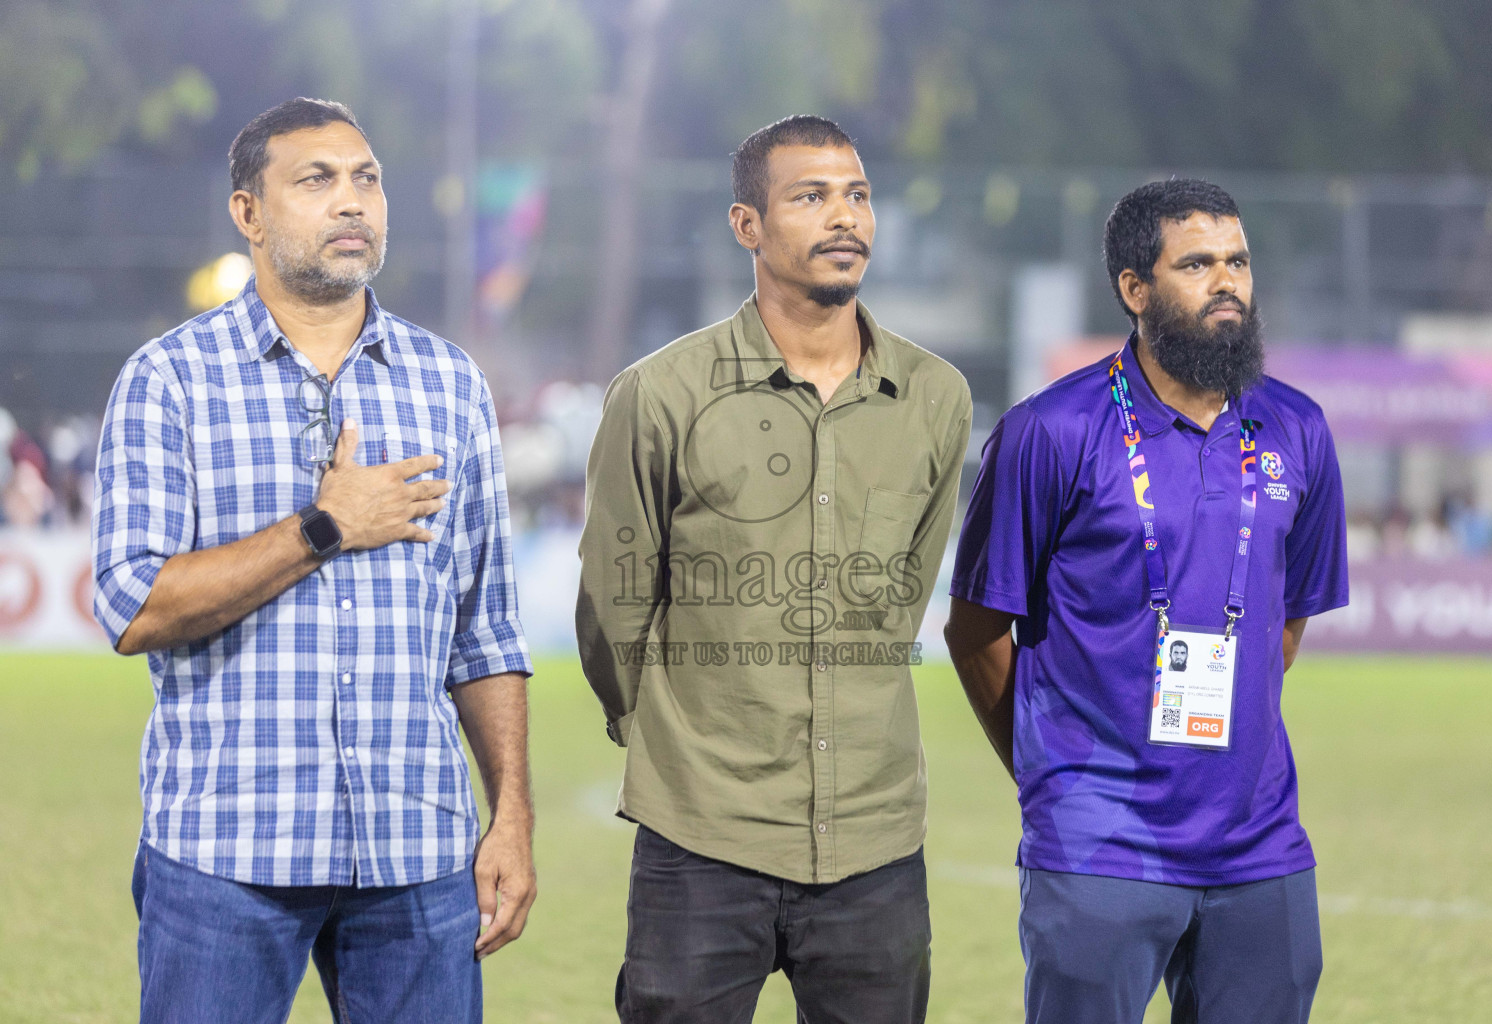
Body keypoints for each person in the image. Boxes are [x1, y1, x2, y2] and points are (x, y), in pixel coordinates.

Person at [91, 98, 535, 1023]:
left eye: (366, 179)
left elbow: (483, 630)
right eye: (317, 180)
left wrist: (513, 817)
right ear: (248, 213)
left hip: (416, 854)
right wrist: (322, 528)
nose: (352, 202)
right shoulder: (169, 380)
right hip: (226, 856)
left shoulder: (450, 381)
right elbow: (134, 606)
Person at [577, 114, 972, 1023]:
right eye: (810, 196)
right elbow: (612, 604)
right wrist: (673, 736)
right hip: (700, 839)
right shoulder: (660, 394)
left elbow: (904, 600)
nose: (845, 217)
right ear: (746, 226)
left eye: (858, 195)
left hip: (875, 848)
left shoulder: (935, 396)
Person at [945, 179, 1348, 1024]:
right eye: (1196, 263)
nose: (1227, 280)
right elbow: (976, 625)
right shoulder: (1047, 431)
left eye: (1237, 260)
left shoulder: (1298, 429)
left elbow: (1284, 624)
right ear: (1135, 289)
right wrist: (1048, 774)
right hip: (1099, 843)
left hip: (1259, 843)